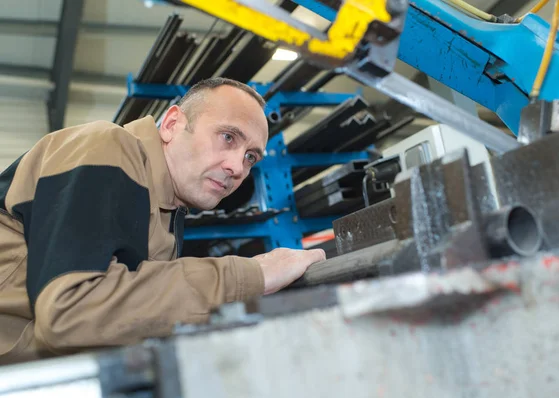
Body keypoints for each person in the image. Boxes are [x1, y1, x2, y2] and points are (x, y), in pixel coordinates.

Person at [0, 77, 326, 364]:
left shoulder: (168, 217)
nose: (237, 168)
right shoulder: (108, 146)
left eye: (251, 157)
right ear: (171, 124)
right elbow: (69, 312)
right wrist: (253, 275)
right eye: (228, 137)